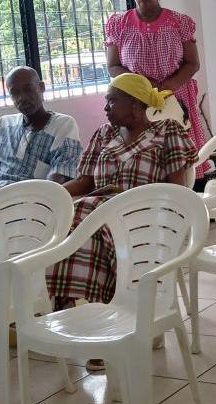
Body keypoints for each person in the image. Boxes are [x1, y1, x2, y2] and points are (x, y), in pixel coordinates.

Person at [47, 73, 197, 314]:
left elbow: (176, 190)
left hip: (144, 217)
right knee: (70, 215)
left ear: (135, 103)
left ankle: (75, 306)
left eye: (112, 101)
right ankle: (93, 310)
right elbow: (84, 181)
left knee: (85, 213)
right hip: (99, 213)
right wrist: (49, 197)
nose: (105, 108)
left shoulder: (167, 131)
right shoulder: (104, 134)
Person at [0, 66, 81, 292]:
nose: (22, 98)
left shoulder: (64, 125)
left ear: (41, 88)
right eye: (15, 93)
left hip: (22, 205)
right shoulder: (3, 125)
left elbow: (56, 180)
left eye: (28, 89)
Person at [105, 0, 208, 178]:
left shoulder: (179, 22)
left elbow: (192, 63)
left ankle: (188, 196)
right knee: (144, 159)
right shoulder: (119, 25)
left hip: (175, 96)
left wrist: (168, 86)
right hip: (136, 102)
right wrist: (144, 85)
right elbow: (113, 67)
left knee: (179, 156)